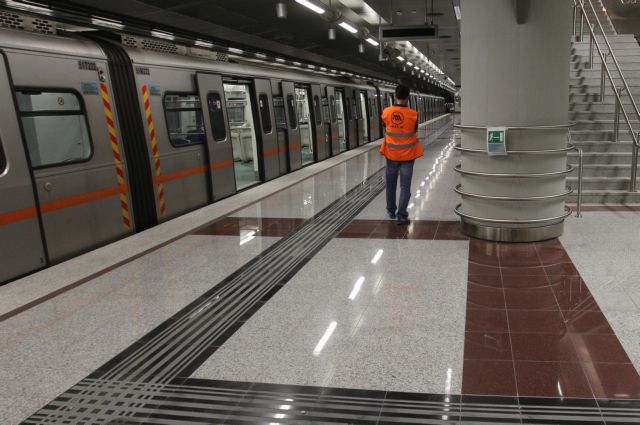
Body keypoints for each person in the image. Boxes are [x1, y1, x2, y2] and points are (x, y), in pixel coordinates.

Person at [380, 84, 423, 225]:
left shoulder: (386, 112)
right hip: (408, 156)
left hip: (391, 154)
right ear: (408, 97)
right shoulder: (413, 114)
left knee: (390, 184)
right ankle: (401, 215)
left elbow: (386, 127)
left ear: (395, 95)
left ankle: (391, 211)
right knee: (405, 187)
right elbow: (414, 131)